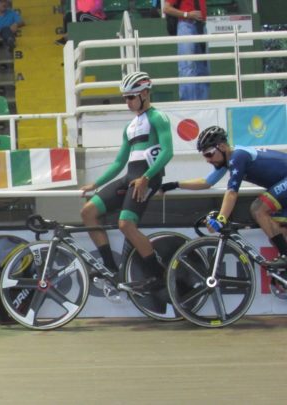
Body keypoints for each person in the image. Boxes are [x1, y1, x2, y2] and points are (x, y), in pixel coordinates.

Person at [79, 71, 173, 296]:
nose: (127, 102)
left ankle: (156, 275)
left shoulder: (158, 117)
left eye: (131, 97)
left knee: (126, 224)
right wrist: (96, 183)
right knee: (88, 212)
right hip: (130, 177)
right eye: (125, 98)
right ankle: (110, 269)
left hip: (147, 177)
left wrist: (147, 177)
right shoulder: (130, 127)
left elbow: (168, 152)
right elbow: (120, 162)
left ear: (145, 94)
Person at [161, 126, 287, 267]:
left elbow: (232, 192)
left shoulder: (238, 156)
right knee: (276, 232)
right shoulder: (228, 161)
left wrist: (221, 218)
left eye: (209, 154)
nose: (207, 160)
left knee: (258, 208)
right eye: (204, 156)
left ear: (221, 146)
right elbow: (206, 182)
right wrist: (175, 184)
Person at [164, 0, 209, 101]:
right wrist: (187, 14)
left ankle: (204, 103)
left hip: (201, 25)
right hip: (186, 24)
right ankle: (188, 103)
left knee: (203, 68)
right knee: (187, 67)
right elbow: (166, 8)